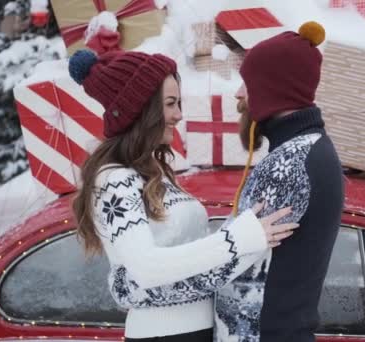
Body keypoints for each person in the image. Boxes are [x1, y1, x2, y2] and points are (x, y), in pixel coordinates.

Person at [68, 48, 299, 342]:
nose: (179, 115)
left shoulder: (157, 171)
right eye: (170, 104)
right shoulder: (115, 180)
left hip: (199, 329)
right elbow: (146, 268)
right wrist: (237, 239)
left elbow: (196, 252)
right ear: (140, 109)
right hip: (163, 335)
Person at [214, 21, 345, 342]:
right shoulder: (311, 148)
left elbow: (233, 261)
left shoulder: (288, 164)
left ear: (272, 87)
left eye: (247, 82)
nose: (238, 93)